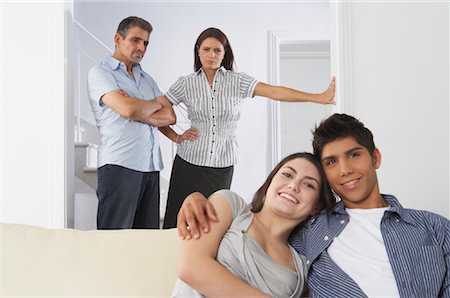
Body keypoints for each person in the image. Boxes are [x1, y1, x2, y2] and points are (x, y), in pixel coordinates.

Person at [176, 113, 450, 297]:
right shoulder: (313, 230)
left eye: (354, 155)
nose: (344, 170)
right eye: (331, 162)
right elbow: (193, 264)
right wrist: (194, 197)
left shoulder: (432, 226)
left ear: (375, 158)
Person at [160, 27, 336, 229]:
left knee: (212, 222)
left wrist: (317, 98)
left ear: (224, 53)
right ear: (198, 51)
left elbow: (273, 92)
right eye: (206, 49)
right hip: (189, 162)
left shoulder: (237, 81)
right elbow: (157, 108)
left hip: (222, 163)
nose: (211, 55)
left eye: (217, 50)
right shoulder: (185, 84)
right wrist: (174, 136)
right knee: (176, 218)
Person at [171, 152, 336, 297]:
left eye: (308, 185)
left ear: (316, 206)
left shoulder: (300, 268)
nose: (293, 186)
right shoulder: (231, 205)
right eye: (287, 175)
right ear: (270, 182)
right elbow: (191, 267)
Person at [87, 16, 176, 229]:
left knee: (145, 242)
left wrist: (136, 107)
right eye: (135, 40)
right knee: (115, 241)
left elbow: (170, 117)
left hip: (151, 167)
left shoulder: (147, 79)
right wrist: (144, 106)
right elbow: (127, 109)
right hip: (120, 165)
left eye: (145, 43)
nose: (141, 47)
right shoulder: (100, 73)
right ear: (118, 38)